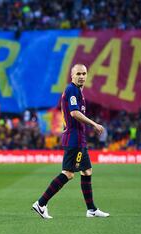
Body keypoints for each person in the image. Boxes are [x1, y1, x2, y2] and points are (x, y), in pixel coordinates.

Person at [32, 64, 110, 219]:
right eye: (78, 73)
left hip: (79, 139)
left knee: (87, 171)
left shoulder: (77, 92)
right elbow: (74, 113)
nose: (82, 76)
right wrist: (94, 124)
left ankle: (91, 209)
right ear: (72, 76)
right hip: (74, 140)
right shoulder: (72, 90)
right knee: (68, 173)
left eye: (84, 73)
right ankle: (41, 204)